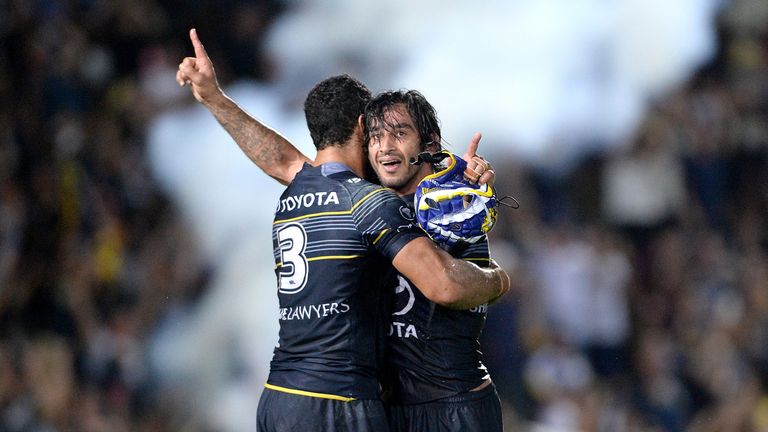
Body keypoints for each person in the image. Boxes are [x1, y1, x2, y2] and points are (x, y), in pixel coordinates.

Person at [177, 29, 509, 432]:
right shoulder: (362, 199)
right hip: (379, 406)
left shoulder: (456, 204)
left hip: (449, 406)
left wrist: (495, 273)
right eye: (375, 135)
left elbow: (451, 284)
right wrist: (215, 98)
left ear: (430, 145)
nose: (384, 146)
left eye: (398, 134)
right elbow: (284, 160)